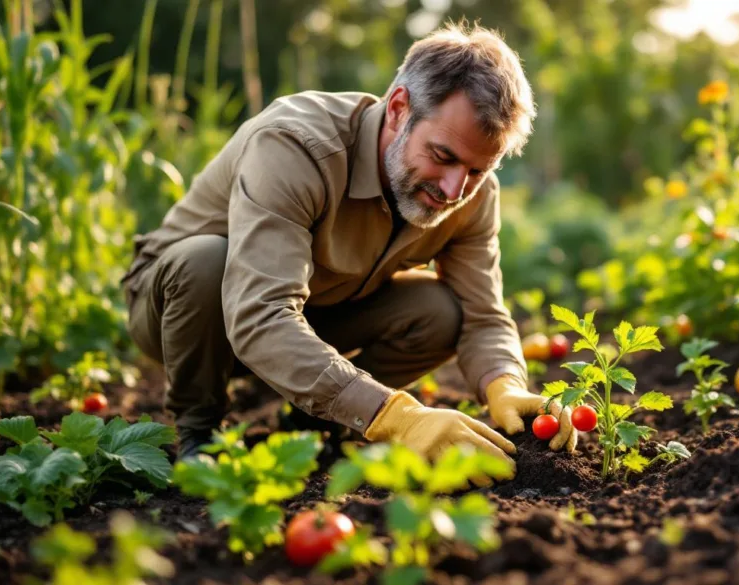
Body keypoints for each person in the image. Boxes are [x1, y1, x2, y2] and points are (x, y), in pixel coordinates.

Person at [120, 22, 577, 484]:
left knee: (441, 310)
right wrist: (396, 416)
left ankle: (316, 425)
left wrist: (505, 384)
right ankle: (200, 433)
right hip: (187, 313)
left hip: (314, 310)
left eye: (477, 169)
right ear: (399, 109)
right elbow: (260, 314)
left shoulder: (471, 195)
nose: (454, 188)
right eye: (442, 156)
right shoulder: (296, 147)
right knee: (205, 260)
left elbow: (482, 312)